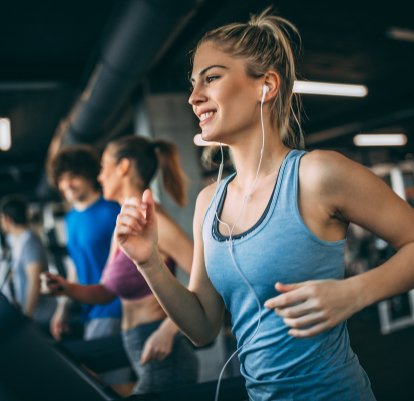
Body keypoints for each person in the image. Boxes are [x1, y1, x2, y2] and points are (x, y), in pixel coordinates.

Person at [113, 9, 414, 401]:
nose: (193, 97)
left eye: (212, 77)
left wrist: (355, 293)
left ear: (265, 85)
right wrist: (149, 262)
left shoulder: (316, 175)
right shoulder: (210, 202)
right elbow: (203, 327)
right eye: (193, 83)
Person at [44, 135, 198, 394]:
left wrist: (169, 330)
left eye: (104, 167)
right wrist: (65, 288)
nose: (100, 176)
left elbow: (206, 278)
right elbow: (105, 292)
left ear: (123, 167)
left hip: (161, 350)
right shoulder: (123, 223)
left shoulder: (153, 219)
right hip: (136, 344)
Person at [48, 145, 121, 341]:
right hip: (86, 308)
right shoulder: (70, 219)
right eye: (61, 180)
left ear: (90, 176)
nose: (67, 185)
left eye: (73, 177)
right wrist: (63, 309)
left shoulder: (113, 210)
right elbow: (75, 266)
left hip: (114, 308)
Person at [0, 195, 48, 319]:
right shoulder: (15, 240)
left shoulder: (29, 241)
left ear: (7, 219)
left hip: (38, 316)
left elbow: (34, 280)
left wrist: (27, 315)